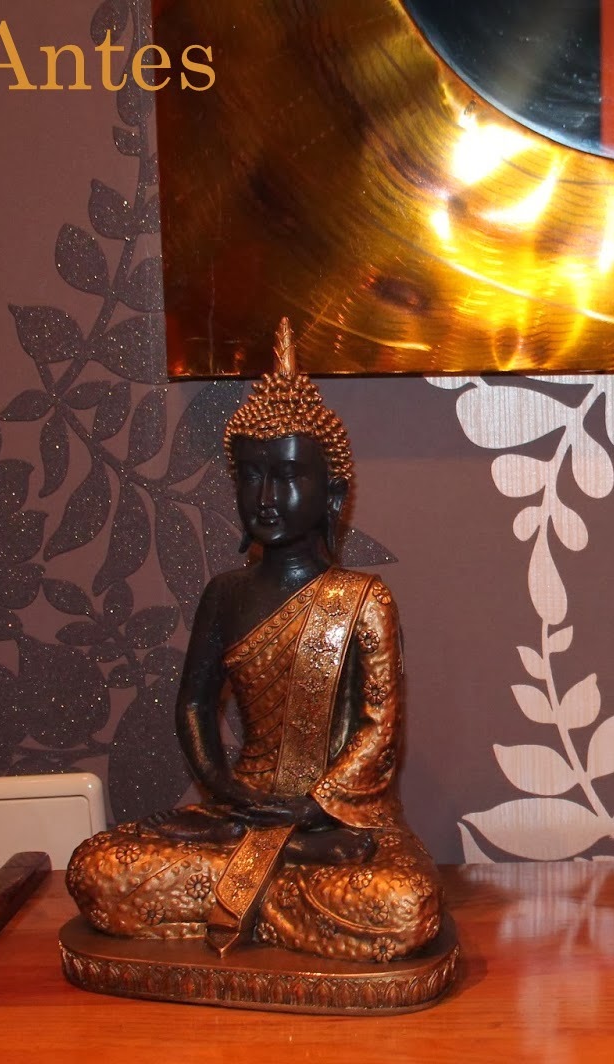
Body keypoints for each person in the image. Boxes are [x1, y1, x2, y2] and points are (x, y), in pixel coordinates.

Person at [66, 320, 440, 964]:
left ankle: (259, 886)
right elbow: (193, 704)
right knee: (98, 867)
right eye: (250, 475)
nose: (266, 496)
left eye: (288, 475)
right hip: (245, 809)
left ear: (333, 493)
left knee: (404, 902)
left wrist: (312, 808)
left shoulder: (364, 600)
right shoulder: (225, 594)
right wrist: (225, 789)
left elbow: (377, 731)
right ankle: (279, 893)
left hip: (338, 820)